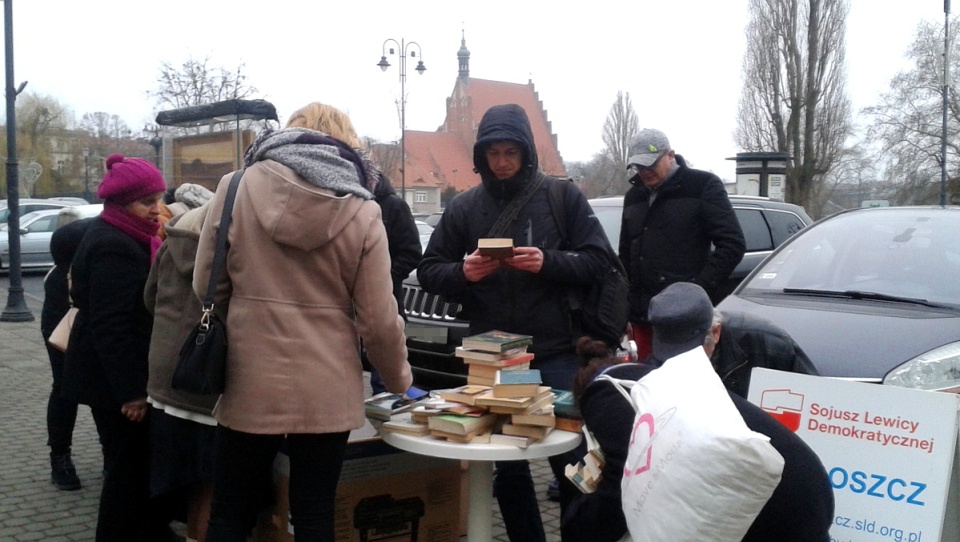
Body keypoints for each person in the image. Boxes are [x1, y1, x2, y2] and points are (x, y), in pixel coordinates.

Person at [195, 102, 413, 542]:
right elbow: (379, 320)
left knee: (231, 511)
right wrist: (398, 381)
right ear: (346, 143)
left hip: (248, 375)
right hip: (327, 383)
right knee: (314, 513)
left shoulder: (235, 187)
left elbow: (206, 284)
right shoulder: (363, 209)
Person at [418, 103, 612, 542]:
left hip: (557, 351)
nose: (502, 162)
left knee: (573, 462)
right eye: (493, 153)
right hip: (494, 358)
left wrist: (549, 262)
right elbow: (430, 269)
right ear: (481, 156)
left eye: (511, 152)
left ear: (526, 152)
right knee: (506, 465)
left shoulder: (562, 197)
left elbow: (599, 263)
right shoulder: (466, 206)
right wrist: (462, 273)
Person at [563, 282, 834, 542]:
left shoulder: (604, 394)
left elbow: (619, 486)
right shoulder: (659, 383)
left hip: (785, 508)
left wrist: (579, 525)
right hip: (807, 487)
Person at [61, 153, 175, 541]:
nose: (157, 209)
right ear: (122, 202)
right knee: (126, 474)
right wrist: (132, 392)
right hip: (115, 384)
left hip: (112, 377)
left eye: (159, 198)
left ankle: (149, 531)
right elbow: (112, 327)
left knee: (133, 467)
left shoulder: (124, 233)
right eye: (148, 201)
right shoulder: (115, 244)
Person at [284, 103, 422, 396]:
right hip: (342, 334)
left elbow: (411, 252)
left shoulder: (388, 206)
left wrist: (384, 274)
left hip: (284, 350)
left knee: (381, 386)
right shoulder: (360, 207)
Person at [619, 128, 746, 359]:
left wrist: (696, 290)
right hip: (642, 317)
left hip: (686, 322)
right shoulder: (633, 197)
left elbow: (732, 245)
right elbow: (625, 256)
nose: (645, 172)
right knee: (647, 384)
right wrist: (625, 307)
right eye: (639, 166)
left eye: (651, 164)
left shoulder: (703, 186)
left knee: (684, 385)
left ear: (670, 155)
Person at [144, 186, 216, 542]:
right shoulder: (230, 244)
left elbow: (150, 297)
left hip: (163, 374)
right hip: (205, 378)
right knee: (208, 482)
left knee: (171, 472)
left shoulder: (172, 238)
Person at [40, 217, 96, 491]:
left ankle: (112, 454)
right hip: (64, 316)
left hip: (89, 313)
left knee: (103, 391)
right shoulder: (78, 239)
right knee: (64, 388)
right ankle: (60, 457)